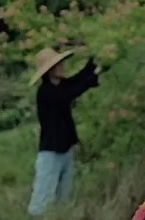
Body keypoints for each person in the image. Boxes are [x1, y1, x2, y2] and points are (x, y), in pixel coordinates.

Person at [27, 47, 101, 217]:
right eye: (58, 64)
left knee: (63, 200)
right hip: (51, 153)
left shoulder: (61, 85)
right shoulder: (45, 92)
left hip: (65, 149)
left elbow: (76, 80)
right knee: (41, 201)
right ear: (50, 70)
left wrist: (93, 64)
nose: (62, 66)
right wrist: (93, 77)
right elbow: (72, 92)